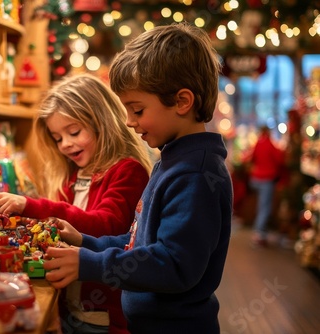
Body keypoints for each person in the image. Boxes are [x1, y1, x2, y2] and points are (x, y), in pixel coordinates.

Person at [42, 22, 233, 333]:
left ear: (183, 102)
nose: (129, 122)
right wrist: (85, 242)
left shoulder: (196, 175)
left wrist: (89, 264)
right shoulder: (172, 161)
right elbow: (137, 241)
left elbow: (172, 265)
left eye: (138, 110)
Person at [0, 73, 153, 334]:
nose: (65, 144)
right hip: (70, 311)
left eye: (74, 132)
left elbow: (106, 225)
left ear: (102, 122)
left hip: (104, 317)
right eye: (57, 137)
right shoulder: (71, 176)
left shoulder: (128, 171)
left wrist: (31, 205)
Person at [246, 125, 285, 247]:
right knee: (265, 207)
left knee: (261, 205)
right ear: (268, 132)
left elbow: (251, 158)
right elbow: (279, 160)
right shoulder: (269, 143)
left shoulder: (258, 143)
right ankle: (259, 234)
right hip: (266, 179)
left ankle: (260, 231)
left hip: (255, 179)